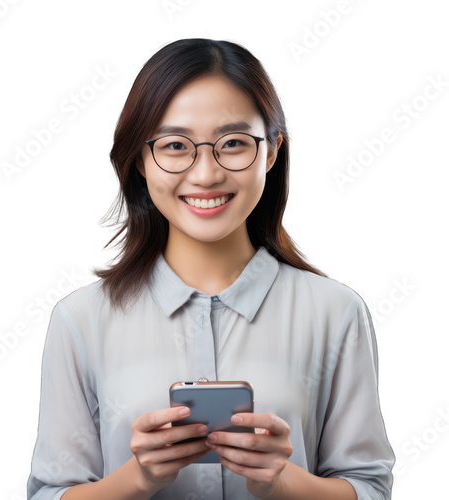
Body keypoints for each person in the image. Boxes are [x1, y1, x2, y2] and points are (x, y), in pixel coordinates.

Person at [26, 38, 395, 500]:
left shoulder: (336, 312)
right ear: (140, 159)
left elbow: (370, 488)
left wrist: (282, 482)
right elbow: (48, 493)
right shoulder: (80, 320)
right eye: (176, 145)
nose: (205, 175)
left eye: (234, 144)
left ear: (272, 151)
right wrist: (137, 479)